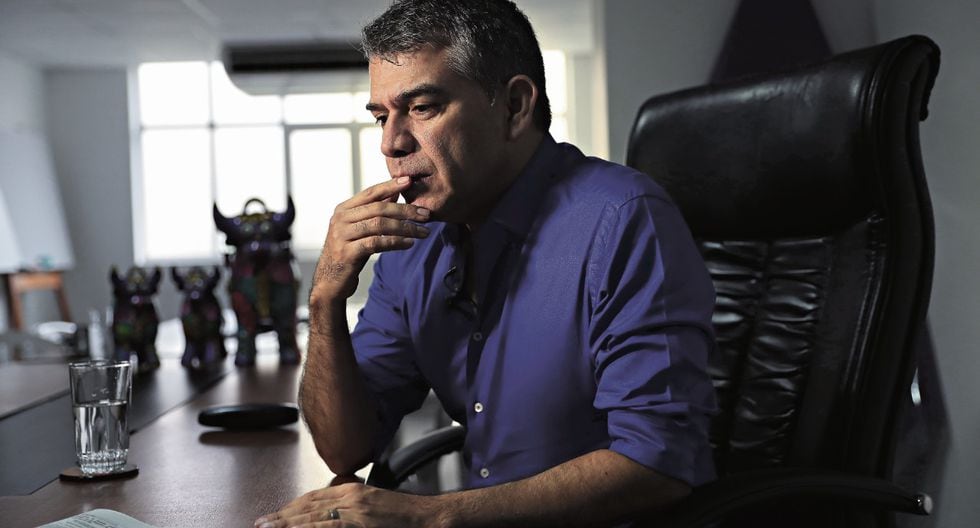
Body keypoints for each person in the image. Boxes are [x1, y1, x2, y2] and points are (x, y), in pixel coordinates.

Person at [255, 0, 716, 526]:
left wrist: (431, 517)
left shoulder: (625, 219)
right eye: (382, 116)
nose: (391, 143)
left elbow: (659, 463)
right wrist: (324, 299)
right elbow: (345, 449)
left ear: (514, 106)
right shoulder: (413, 241)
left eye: (422, 107)